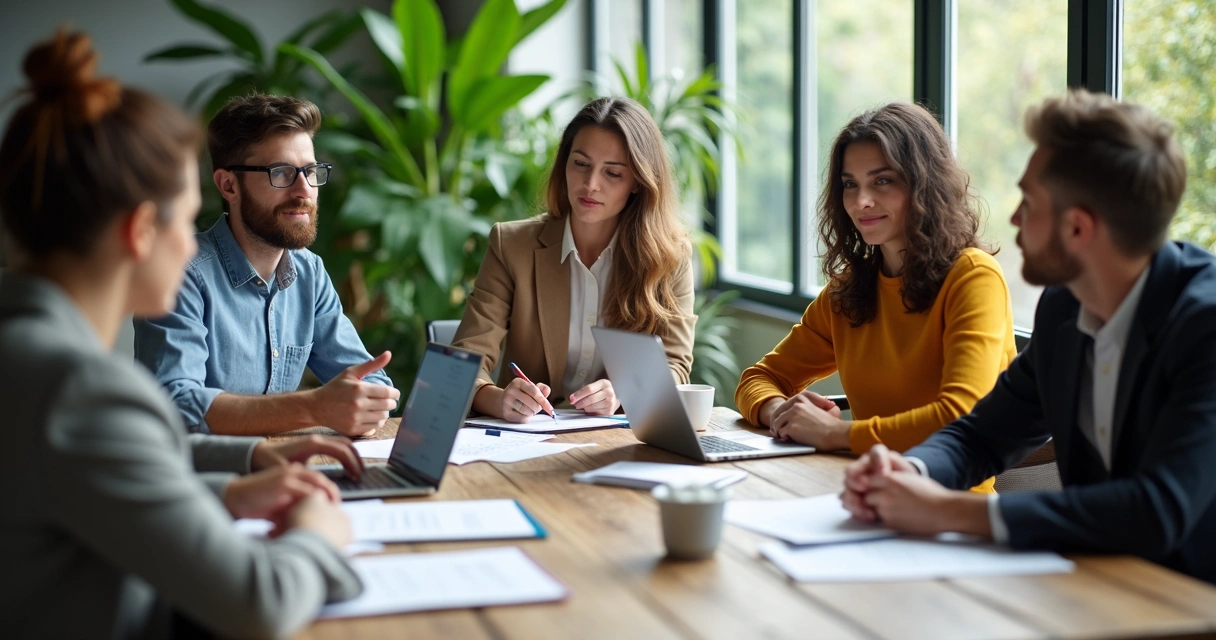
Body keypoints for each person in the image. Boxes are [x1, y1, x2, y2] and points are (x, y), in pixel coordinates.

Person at [0, 31, 366, 637]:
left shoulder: (29, 351)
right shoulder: (78, 388)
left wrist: (241, 472)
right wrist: (318, 534)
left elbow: (111, 462)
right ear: (142, 231)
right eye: (187, 216)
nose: (191, 243)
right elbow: (259, 603)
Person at [840, 90, 1216, 584]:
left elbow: (1156, 510)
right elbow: (981, 434)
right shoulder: (1064, 309)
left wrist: (948, 511)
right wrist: (909, 473)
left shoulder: (1205, 327)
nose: (1015, 218)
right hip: (1098, 587)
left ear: (1078, 228)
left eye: (1030, 203)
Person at [734, 103, 1016, 491]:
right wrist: (780, 411)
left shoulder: (973, 277)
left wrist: (833, 433)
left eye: (882, 181)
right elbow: (760, 378)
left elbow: (958, 416)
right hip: (864, 495)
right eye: (850, 184)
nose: (860, 201)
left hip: (952, 508)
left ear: (924, 184)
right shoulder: (848, 290)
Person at [134, 94, 399, 437]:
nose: (304, 190)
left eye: (310, 171)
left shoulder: (309, 273)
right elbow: (176, 406)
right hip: (202, 470)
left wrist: (368, 401)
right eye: (282, 173)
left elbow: (369, 380)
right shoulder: (180, 274)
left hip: (284, 462)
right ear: (229, 185)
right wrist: (314, 407)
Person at [452, 97, 696, 423]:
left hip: (615, 438)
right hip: (524, 438)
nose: (590, 185)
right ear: (564, 164)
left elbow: (675, 366)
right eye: (580, 164)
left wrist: (624, 392)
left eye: (613, 173)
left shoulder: (669, 257)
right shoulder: (511, 245)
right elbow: (465, 358)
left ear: (638, 182)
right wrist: (496, 399)